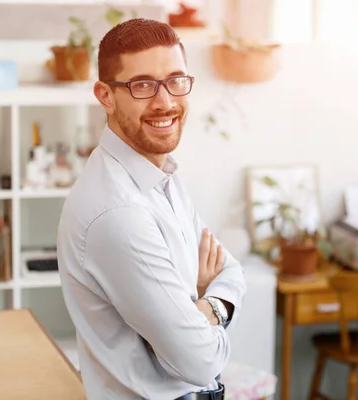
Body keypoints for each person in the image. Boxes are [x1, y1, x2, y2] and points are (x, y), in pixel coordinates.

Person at [56, 18, 246, 400]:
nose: (165, 101)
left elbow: (230, 270)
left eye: (176, 80)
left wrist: (200, 307)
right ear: (105, 95)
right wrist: (212, 307)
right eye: (142, 85)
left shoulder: (163, 175)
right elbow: (202, 362)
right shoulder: (117, 213)